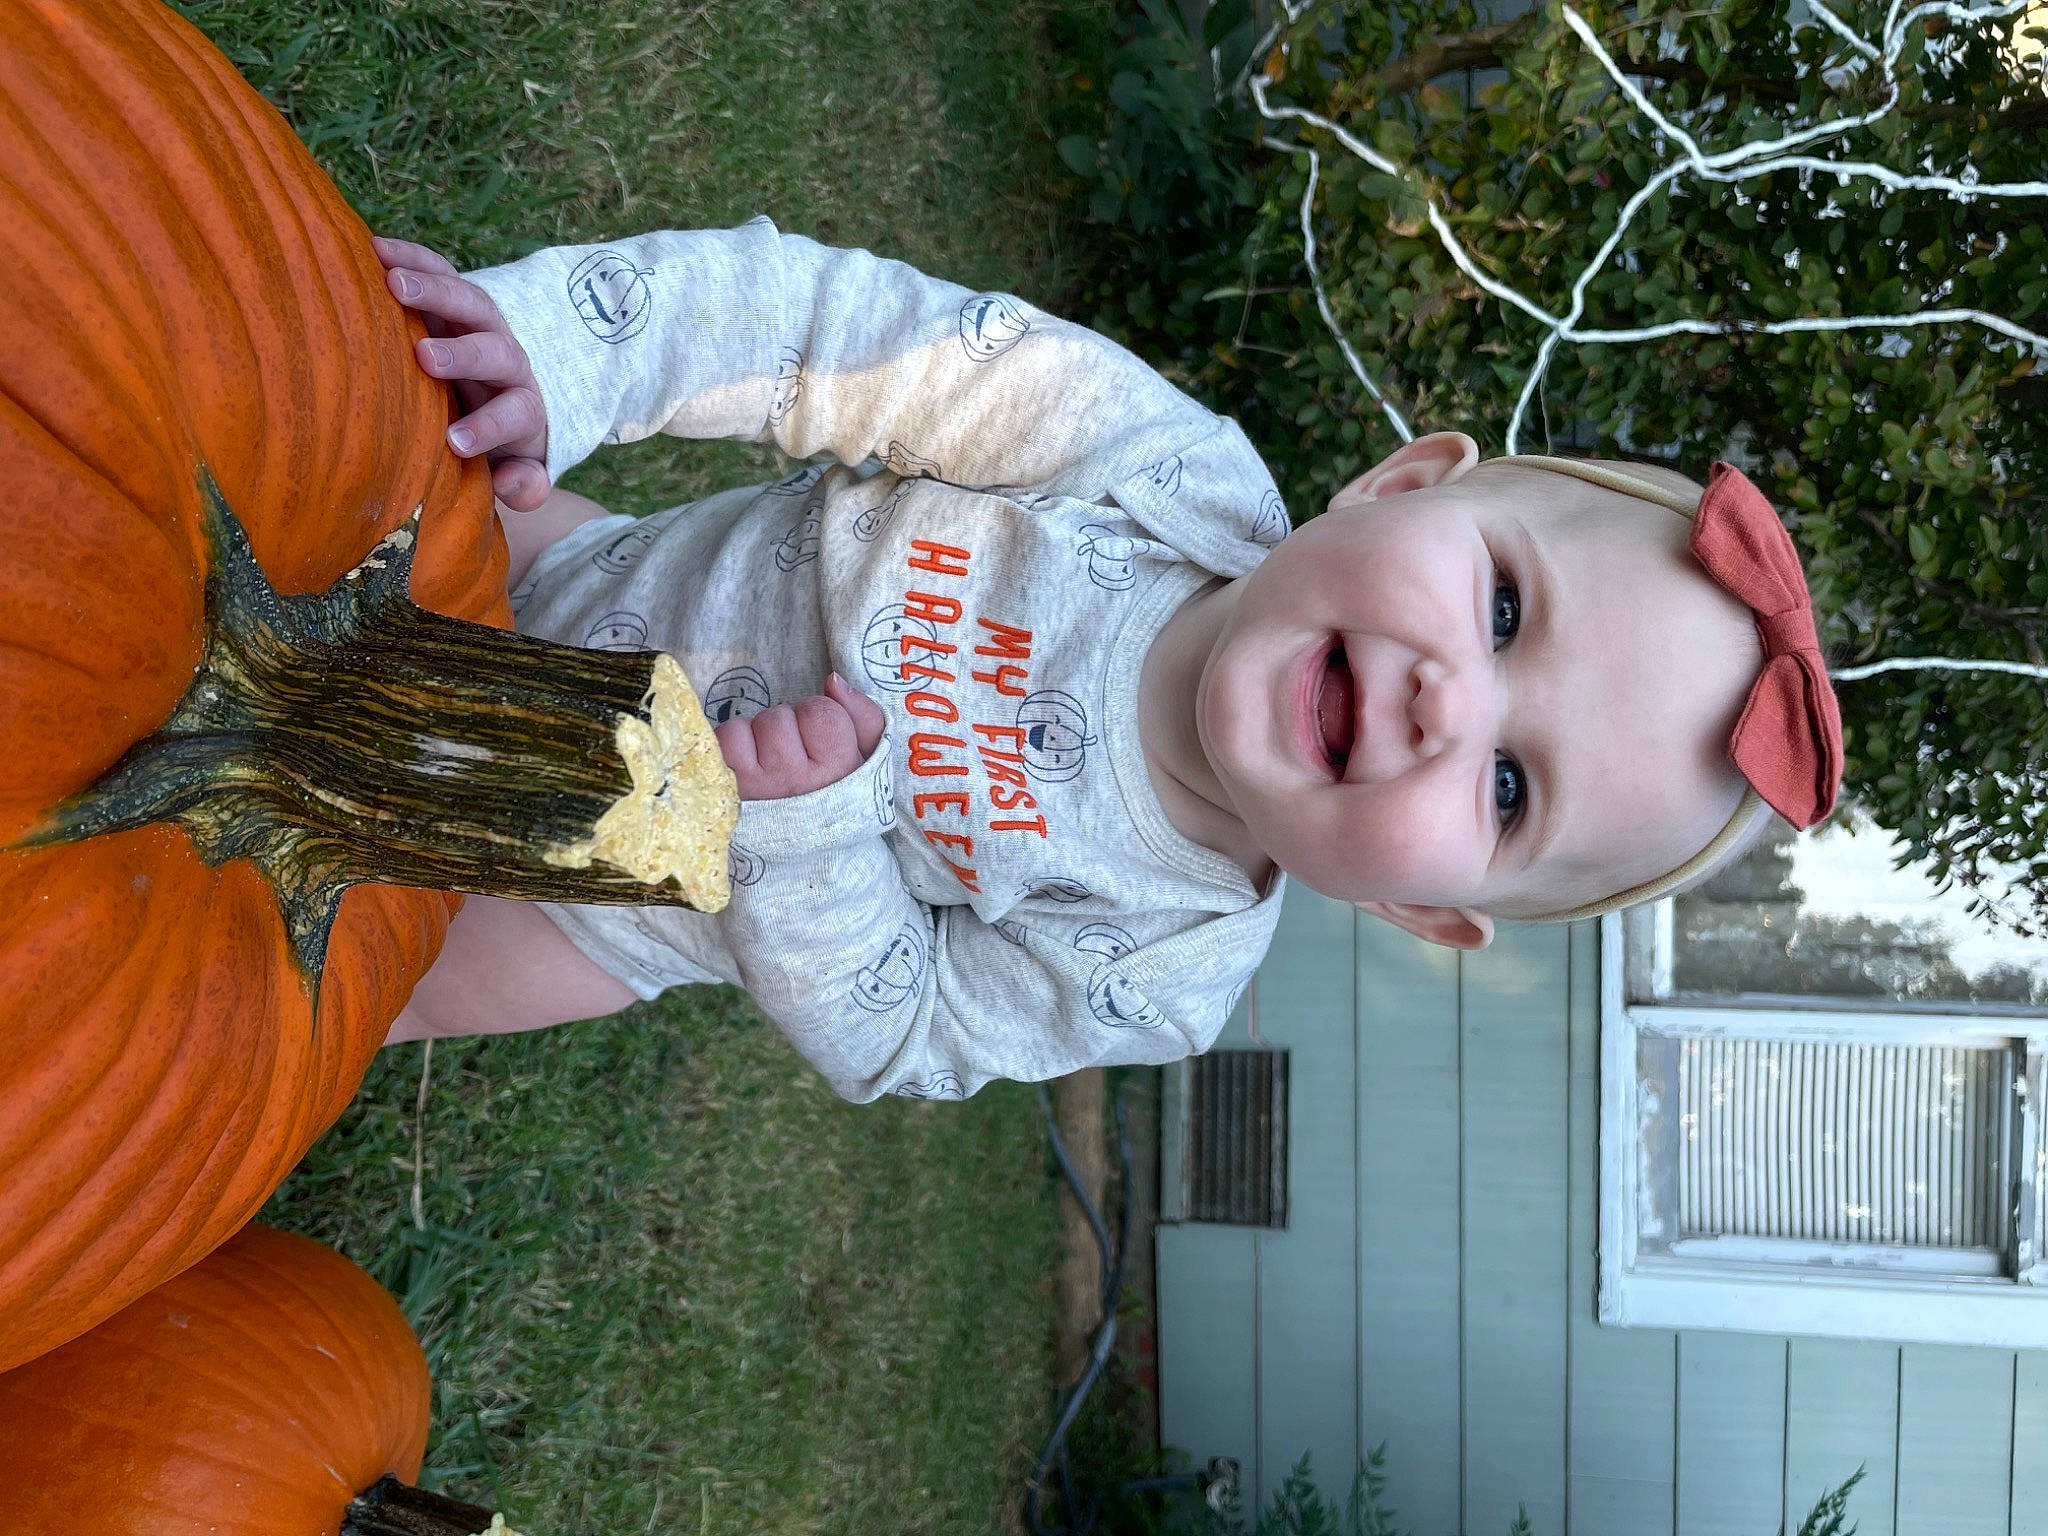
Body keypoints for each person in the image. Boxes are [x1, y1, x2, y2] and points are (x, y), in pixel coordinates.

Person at [374, 221, 1841, 1102]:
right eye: (1507, 612)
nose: (1447, 698)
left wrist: (802, 843)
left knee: (339, 983)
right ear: (1401, 487)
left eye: (1513, 787)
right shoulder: (1147, 466)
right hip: (580, 572)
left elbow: (904, 1034)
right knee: (369, 452)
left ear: (1415, 901)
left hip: (612, 896)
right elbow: (841, 334)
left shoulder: (1165, 964)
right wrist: (572, 358)